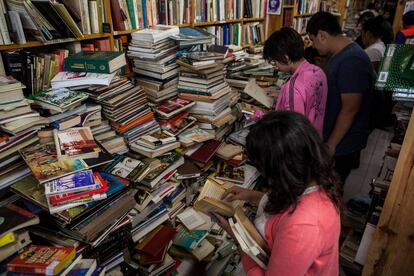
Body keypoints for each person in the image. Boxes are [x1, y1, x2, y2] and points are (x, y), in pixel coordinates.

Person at [213, 111, 341, 275]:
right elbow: (290, 205)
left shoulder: (303, 225)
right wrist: (252, 196)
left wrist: (239, 240)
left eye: (263, 169)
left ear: (282, 169)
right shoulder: (314, 175)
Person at [306, 12, 375, 184]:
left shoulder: (351, 60)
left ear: (322, 35)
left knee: (331, 190)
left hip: (342, 144)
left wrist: (331, 145)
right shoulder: (340, 54)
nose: (313, 46)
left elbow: (350, 109)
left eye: (312, 40)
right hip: (337, 139)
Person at [263, 27, 328, 134]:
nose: (275, 66)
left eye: (275, 62)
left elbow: (292, 130)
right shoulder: (318, 72)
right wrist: (282, 97)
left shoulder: (293, 87)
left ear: (286, 58)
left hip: (298, 146)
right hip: (315, 137)